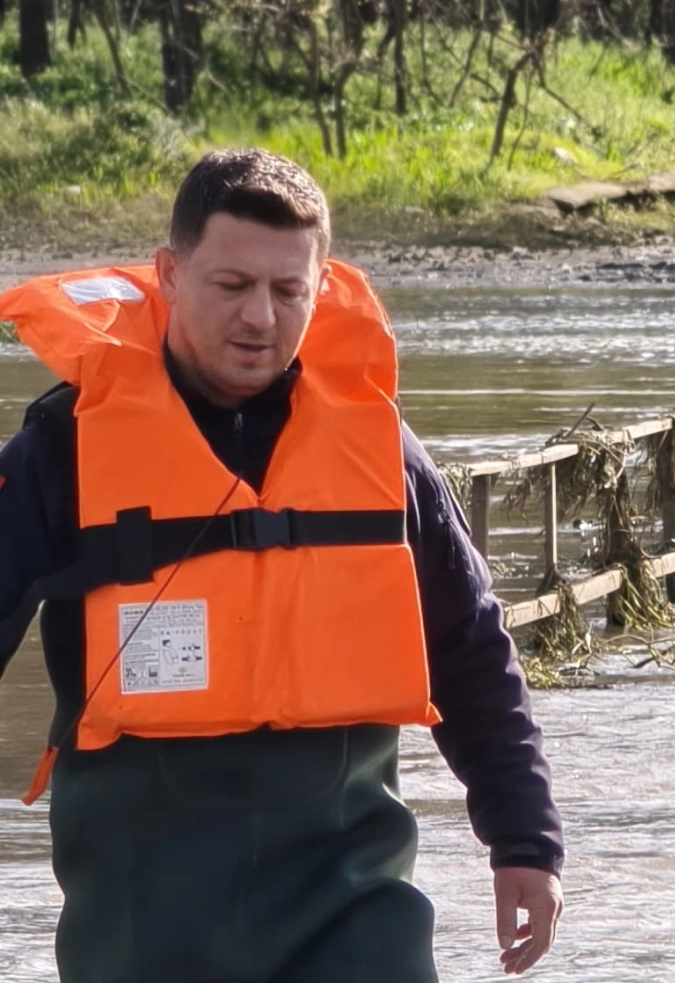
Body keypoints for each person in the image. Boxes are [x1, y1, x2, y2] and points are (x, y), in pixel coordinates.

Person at [0, 149, 564, 982]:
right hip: (144, 910)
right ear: (169, 272)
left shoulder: (381, 452)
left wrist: (525, 839)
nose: (260, 316)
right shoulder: (63, 449)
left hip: (351, 898)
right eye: (231, 286)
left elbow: (471, 649)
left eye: (288, 290)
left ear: (318, 283)